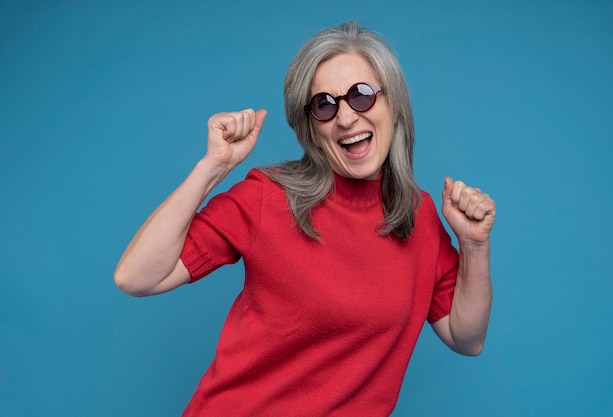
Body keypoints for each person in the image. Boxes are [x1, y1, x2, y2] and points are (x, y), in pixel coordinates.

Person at [114, 21, 496, 417]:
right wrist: (212, 167)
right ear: (312, 128)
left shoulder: (419, 216)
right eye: (325, 105)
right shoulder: (268, 197)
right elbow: (137, 277)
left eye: (362, 96)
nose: (346, 118)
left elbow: (466, 337)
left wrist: (475, 246)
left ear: (394, 106)